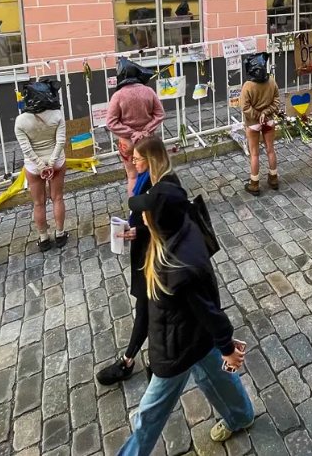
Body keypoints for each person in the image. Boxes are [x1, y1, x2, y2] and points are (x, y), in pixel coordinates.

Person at [114, 182, 253, 454]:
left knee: (149, 416)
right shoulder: (183, 225)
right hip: (195, 334)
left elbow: (210, 312)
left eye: (146, 214)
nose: (142, 216)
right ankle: (241, 416)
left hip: (175, 348)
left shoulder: (178, 269)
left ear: (158, 222)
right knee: (218, 377)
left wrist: (227, 348)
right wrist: (141, 232)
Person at [96, 136, 178, 386]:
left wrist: (139, 231)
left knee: (149, 310)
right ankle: (143, 360)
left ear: (151, 160)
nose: (133, 162)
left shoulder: (165, 185)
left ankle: (135, 361)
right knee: (149, 309)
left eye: (138, 159)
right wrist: (136, 229)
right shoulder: (147, 178)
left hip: (157, 258)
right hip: (147, 254)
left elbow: (166, 226)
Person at [15, 78, 68, 251]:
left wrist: (40, 165)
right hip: (56, 162)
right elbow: (60, 141)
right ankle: (60, 234)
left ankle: (43, 238)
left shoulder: (20, 121)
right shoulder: (57, 115)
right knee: (57, 198)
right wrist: (51, 163)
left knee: (39, 203)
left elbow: (26, 148)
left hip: (33, 167)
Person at [106, 58, 165, 197]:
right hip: (148, 140)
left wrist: (132, 133)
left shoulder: (118, 96)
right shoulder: (149, 91)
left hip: (127, 143)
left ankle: (134, 207)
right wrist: (145, 131)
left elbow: (111, 122)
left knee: (132, 176)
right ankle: (155, 203)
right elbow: (160, 114)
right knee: (153, 172)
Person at [239, 54, 281, 194]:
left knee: (255, 154)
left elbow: (245, 107)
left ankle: (254, 184)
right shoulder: (272, 82)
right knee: (271, 150)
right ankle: (273, 178)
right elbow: (276, 102)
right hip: (269, 120)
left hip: (253, 123)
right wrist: (265, 113)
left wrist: (258, 115)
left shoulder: (247, 86)